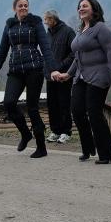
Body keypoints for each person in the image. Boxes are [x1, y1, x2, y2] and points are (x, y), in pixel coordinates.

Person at [0, 0, 58, 158]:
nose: (23, 7)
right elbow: (2, 51)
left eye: (26, 5)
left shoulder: (36, 22)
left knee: (32, 108)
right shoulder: (9, 25)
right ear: (14, 8)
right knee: (9, 103)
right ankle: (25, 134)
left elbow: (45, 47)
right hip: (15, 70)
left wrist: (52, 69)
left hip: (34, 70)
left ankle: (41, 148)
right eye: (20, 5)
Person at [54, 0, 111, 165]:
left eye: (85, 6)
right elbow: (77, 58)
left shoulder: (101, 28)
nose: (81, 9)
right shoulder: (81, 30)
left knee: (94, 113)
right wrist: (67, 75)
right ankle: (88, 148)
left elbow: (110, 52)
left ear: (94, 10)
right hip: (81, 77)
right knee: (76, 111)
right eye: (79, 7)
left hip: (99, 76)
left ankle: (107, 154)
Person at [43, 10, 75, 144]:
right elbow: (45, 54)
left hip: (64, 75)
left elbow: (74, 53)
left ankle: (66, 132)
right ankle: (55, 131)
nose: (45, 22)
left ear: (53, 19)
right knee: (52, 105)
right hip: (50, 76)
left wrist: (60, 67)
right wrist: (49, 71)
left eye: (46, 19)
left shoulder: (68, 32)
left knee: (64, 104)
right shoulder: (47, 34)